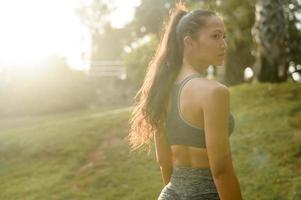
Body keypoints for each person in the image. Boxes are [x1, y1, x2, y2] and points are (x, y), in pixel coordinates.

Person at [127, 1, 243, 200]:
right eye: (215, 36)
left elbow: (164, 161)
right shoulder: (214, 92)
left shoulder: (161, 90)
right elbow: (221, 171)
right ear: (189, 42)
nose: (223, 44)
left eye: (224, 36)